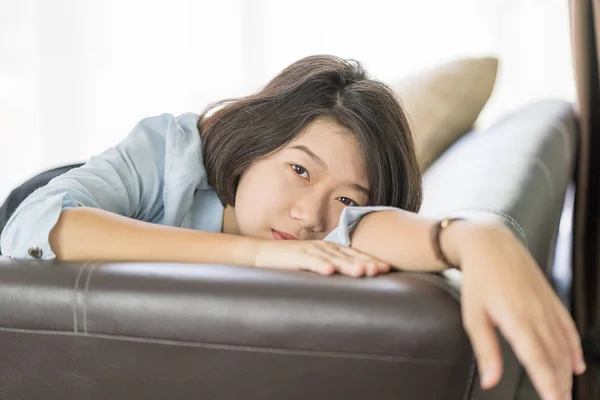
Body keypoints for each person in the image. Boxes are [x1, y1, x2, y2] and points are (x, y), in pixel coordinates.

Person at [0, 54, 584, 399]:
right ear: (257, 144)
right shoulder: (171, 148)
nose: (309, 215)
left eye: (343, 196)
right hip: (50, 196)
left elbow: (367, 227)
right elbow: (40, 226)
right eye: (299, 169)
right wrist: (253, 256)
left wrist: (471, 236)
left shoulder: (321, 226)